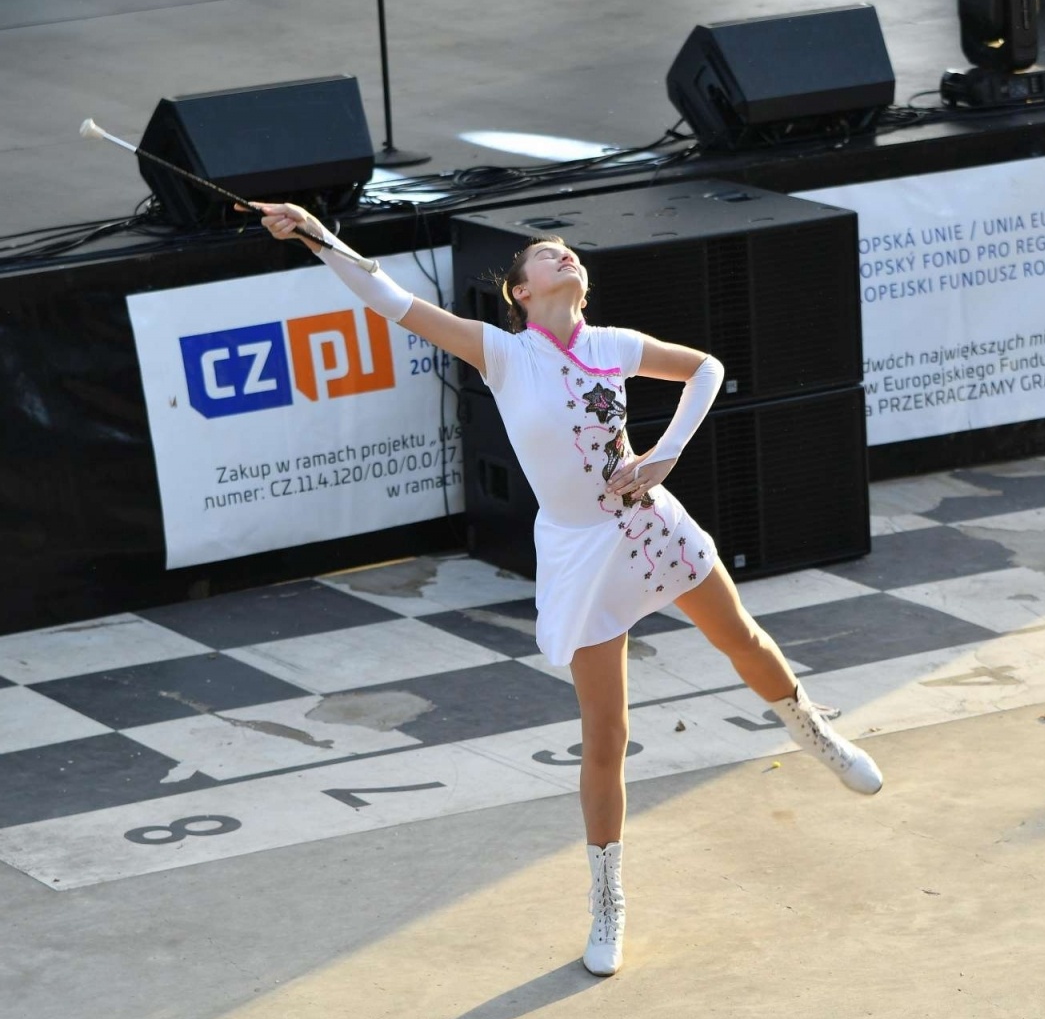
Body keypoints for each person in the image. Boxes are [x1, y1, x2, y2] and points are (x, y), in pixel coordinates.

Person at [241, 200, 884, 977]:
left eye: (569, 252)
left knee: (739, 636)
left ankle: (813, 732)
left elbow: (706, 369)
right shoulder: (504, 355)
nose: (565, 257)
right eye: (548, 255)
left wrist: (666, 451)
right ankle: (608, 898)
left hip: (648, 522)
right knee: (605, 733)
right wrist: (313, 231)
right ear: (520, 291)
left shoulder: (612, 343)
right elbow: (385, 295)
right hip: (580, 552)